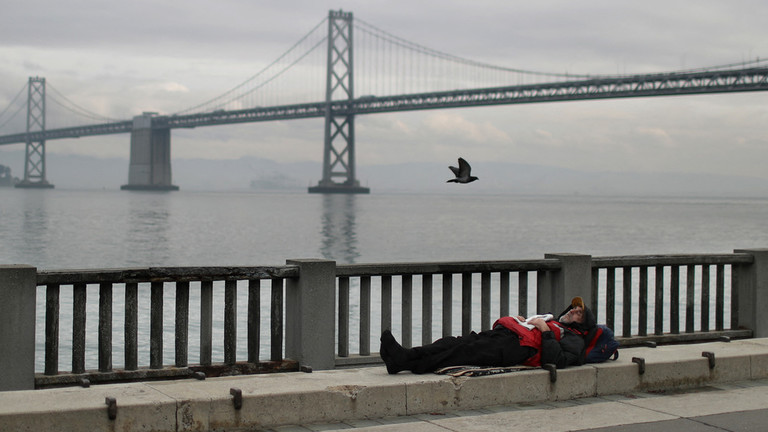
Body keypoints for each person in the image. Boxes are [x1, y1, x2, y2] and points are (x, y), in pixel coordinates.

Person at [379, 296, 596, 374]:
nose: (573, 311)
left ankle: (406, 363)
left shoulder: (575, 341)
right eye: (574, 308)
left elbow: (557, 360)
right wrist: (526, 320)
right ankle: (404, 357)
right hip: (507, 335)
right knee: (454, 342)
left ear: (583, 327)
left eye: (579, 314)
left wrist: (545, 331)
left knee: (462, 352)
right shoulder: (555, 322)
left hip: (518, 349)